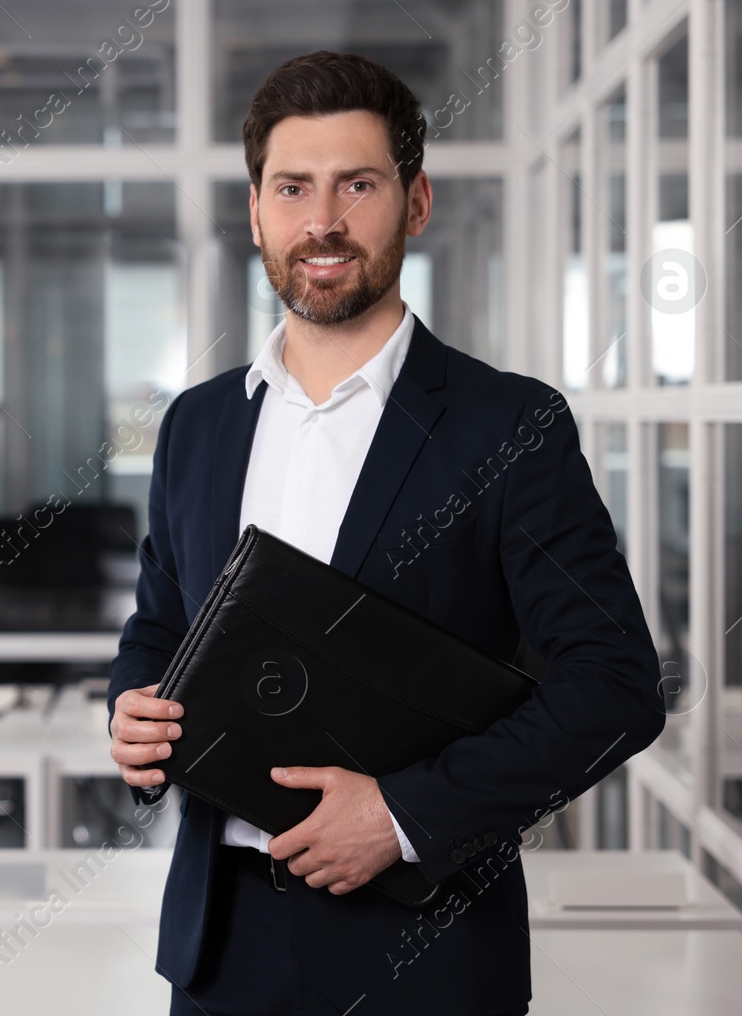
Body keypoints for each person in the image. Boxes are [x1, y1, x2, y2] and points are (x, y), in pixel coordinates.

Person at [106, 50, 666, 1016]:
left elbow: (614, 689)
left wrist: (404, 814)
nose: (321, 220)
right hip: (220, 946)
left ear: (414, 204)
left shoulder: (508, 427)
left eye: (356, 184)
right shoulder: (198, 425)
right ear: (256, 213)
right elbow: (162, 623)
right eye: (292, 188)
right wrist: (131, 710)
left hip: (424, 955)